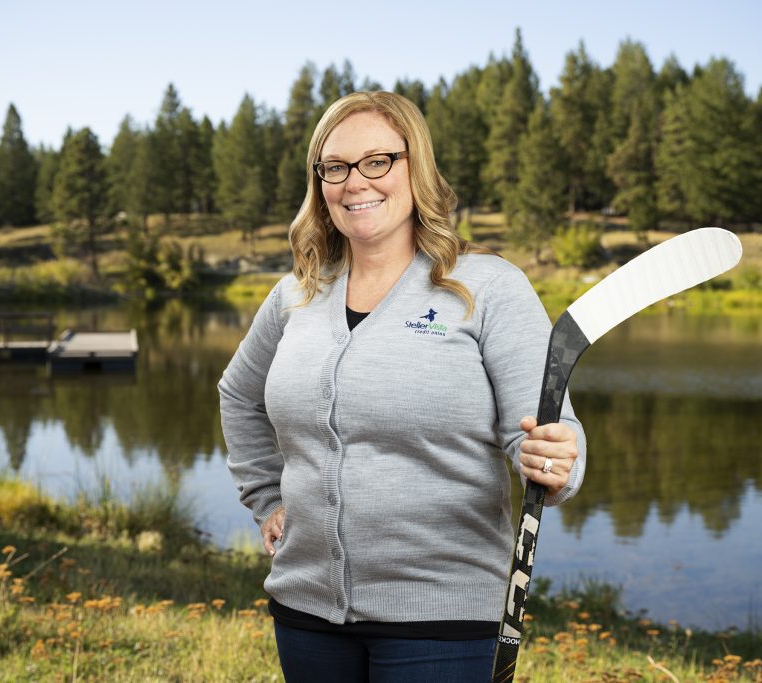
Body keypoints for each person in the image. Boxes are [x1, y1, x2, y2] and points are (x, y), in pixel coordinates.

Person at [218, 91, 586, 682]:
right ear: (320, 183)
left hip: (443, 622)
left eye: (378, 160)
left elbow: (547, 428)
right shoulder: (297, 293)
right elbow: (238, 395)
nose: (355, 181)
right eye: (335, 167)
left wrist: (557, 456)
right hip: (306, 612)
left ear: (416, 166)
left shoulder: (487, 287)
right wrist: (265, 495)